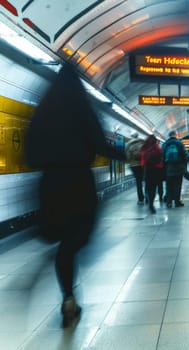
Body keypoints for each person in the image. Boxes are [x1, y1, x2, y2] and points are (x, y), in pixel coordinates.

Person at [25, 63, 125, 328]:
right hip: (79, 181)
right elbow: (102, 145)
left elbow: (29, 155)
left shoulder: (43, 112)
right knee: (76, 238)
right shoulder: (82, 109)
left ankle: (68, 297)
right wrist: (127, 155)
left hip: (50, 184)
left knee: (64, 246)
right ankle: (69, 287)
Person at [162, 131, 187, 208]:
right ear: (175, 135)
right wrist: (184, 167)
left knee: (169, 186)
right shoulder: (179, 143)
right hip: (179, 168)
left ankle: (169, 202)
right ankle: (177, 202)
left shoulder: (165, 144)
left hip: (168, 168)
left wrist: (164, 167)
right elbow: (184, 155)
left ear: (169, 136)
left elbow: (162, 156)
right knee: (177, 185)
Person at [141, 135, 164, 213]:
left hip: (147, 169)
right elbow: (161, 157)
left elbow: (142, 160)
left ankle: (149, 201)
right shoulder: (157, 148)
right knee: (155, 187)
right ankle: (154, 201)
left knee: (148, 187)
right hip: (157, 170)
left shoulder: (144, 148)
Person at [125, 132, 145, 204]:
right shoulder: (142, 143)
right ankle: (148, 196)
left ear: (132, 136)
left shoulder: (128, 144)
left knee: (138, 182)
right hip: (143, 165)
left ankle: (140, 199)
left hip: (134, 165)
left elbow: (128, 157)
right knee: (145, 180)